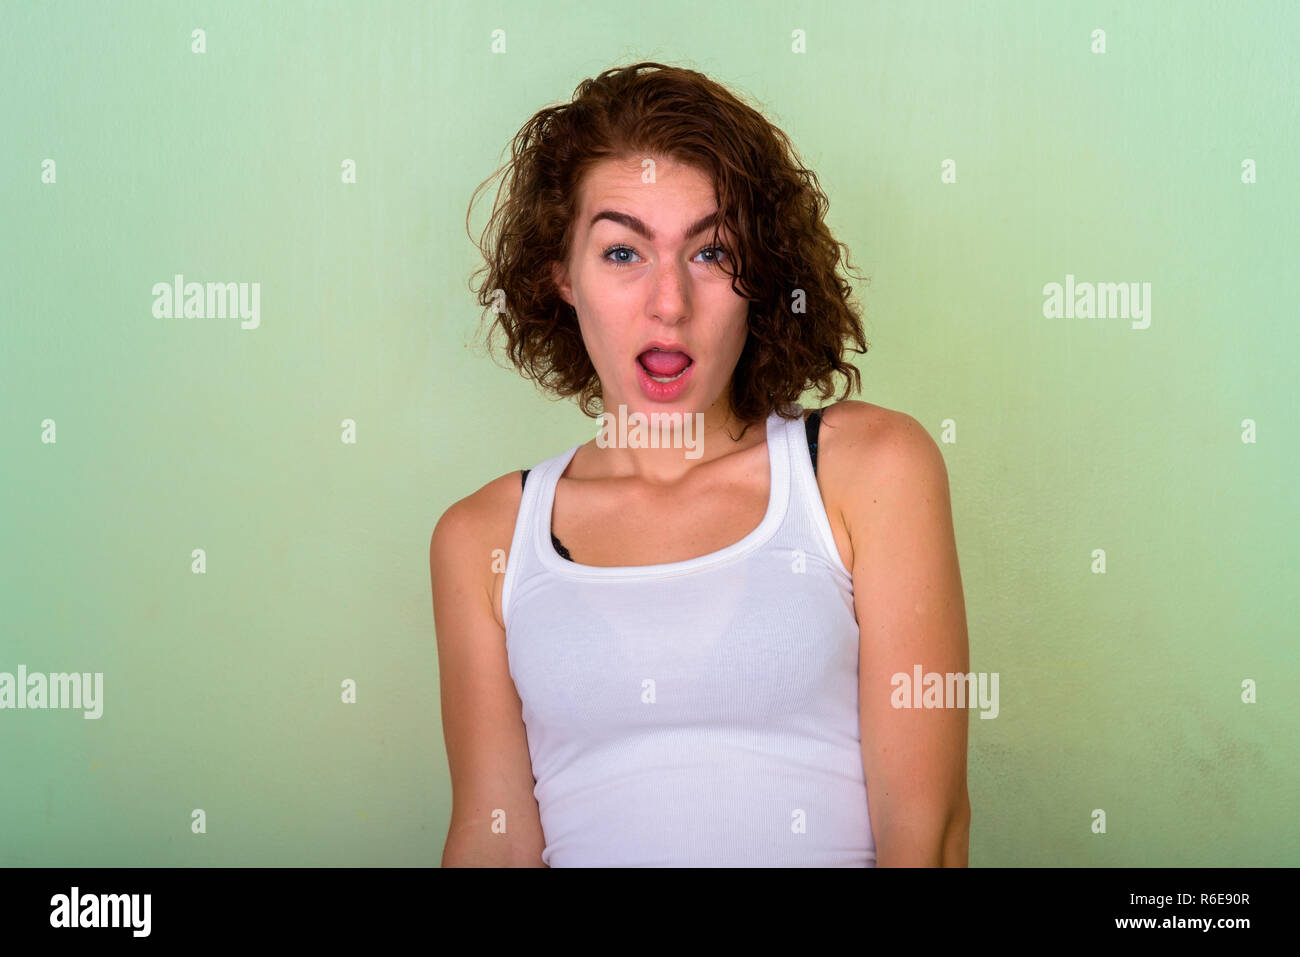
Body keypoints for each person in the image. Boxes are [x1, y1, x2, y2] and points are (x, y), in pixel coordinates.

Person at [431, 62, 970, 866]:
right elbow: (492, 839)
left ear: (760, 275)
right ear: (560, 275)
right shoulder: (482, 540)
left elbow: (926, 832)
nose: (670, 302)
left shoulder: (870, 470)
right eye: (622, 252)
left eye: (711, 252)